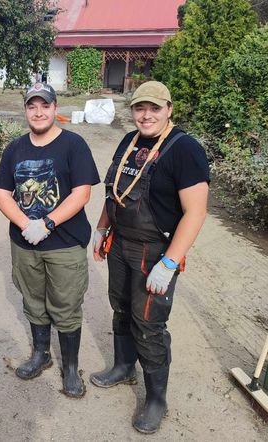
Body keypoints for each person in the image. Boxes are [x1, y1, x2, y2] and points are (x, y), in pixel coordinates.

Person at [90, 81, 209, 434]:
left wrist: (170, 263)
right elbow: (116, 192)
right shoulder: (129, 142)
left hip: (154, 252)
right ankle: (123, 367)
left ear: (169, 109)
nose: (146, 115)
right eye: (140, 108)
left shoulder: (185, 149)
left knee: (149, 324)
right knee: (121, 309)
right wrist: (101, 229)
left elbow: (196, 212)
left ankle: (157, 398)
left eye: (154, 108)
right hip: (120, 244)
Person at [0, 83, 100, 398]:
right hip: (25, 243)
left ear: (55, 109)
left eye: (45, 106)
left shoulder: (74, 145)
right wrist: (26, 223)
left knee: (66, 305)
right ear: (25, 110)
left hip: (64, 244)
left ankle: (70, 368)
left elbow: (82, 193)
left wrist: (48, 222)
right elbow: (1, 194)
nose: (38, 112)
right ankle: (41, 354)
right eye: (32, 106)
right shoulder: (14, 149)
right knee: (33, 302)